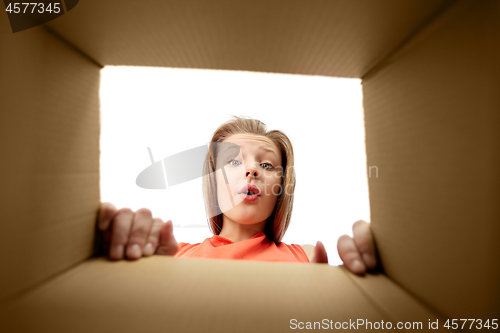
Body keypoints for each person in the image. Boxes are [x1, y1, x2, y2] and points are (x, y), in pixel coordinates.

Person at [97, 116, 377, 275]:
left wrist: (373, 267)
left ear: (280, 188)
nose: (251, 170)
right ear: (214, 182)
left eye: (266, 165)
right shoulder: (170, 253)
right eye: (233, 162)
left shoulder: (311, 257)